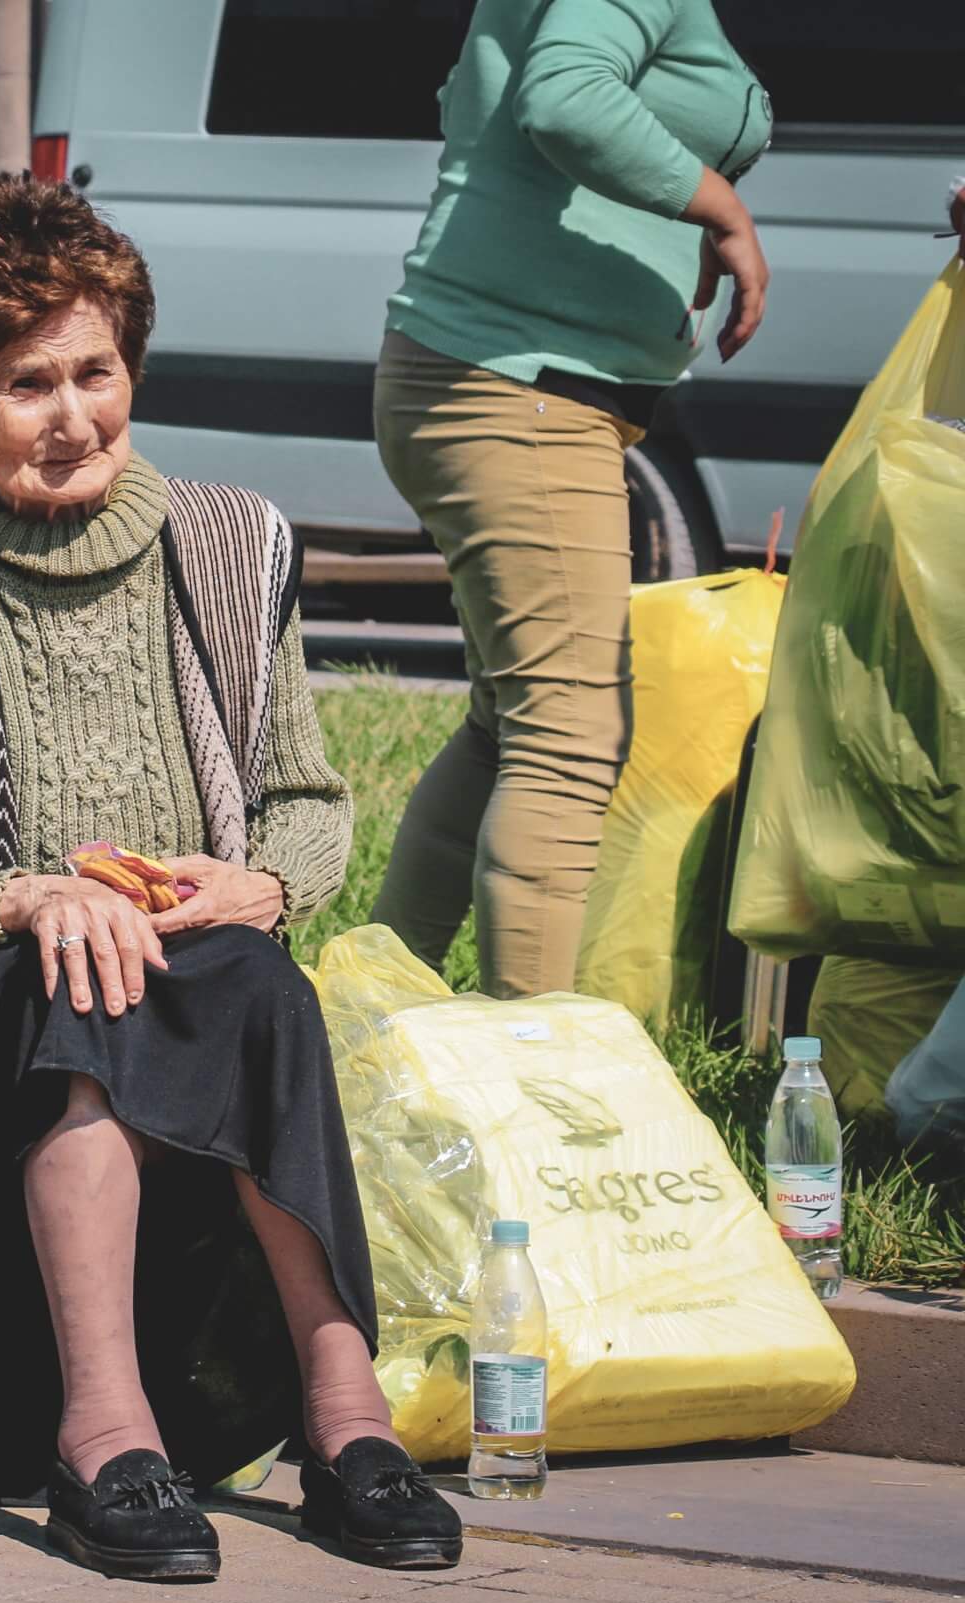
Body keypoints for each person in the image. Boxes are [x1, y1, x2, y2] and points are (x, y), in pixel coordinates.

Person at [0, 175, 460, 1583]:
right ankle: (106, 1432)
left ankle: (345, 1418)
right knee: (79, 970)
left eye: (95, 372)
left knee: (254, 970)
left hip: (213, 992)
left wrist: (260, 885)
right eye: (23, 382)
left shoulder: (231, 546)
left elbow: (306, 800)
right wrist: (30, 895)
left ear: (132, 371)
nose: (70, 415)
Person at [370, 0, 771, 998]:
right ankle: (535, 1068)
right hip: (515, 391)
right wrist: (718, 208)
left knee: (506, 721)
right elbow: (563, 101)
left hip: (502, 378)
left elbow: (484, 103)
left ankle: (365, 1002)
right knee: (564, 736)